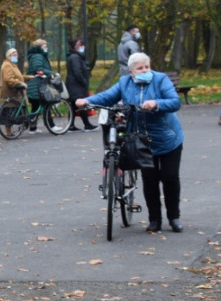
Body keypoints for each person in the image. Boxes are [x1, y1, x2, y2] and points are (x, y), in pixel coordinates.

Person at [76, 51, 184, 234]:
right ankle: (154, 220)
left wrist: (156, 104)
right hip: (141, 140)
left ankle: (174, 217)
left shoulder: (160, 80)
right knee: (150, 180)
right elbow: (107, 97)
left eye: (146, 67)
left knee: (169, 177)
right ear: (131, 71)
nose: (144, 70)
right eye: (140, 68)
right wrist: (86, 100)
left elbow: (174, 102)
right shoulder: (125, 83)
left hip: (167, 138)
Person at [65, 39, 95, 131]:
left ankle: (71, 125)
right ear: (75, 46)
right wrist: (83, 82)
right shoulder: (75, 57)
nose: (83, 47)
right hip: (76, 85)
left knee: (74, 106)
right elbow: (77, 72)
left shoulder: (73, 56)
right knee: (81, 105)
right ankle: (87, 125)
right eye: (80, 45)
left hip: (73, 85)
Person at [24, 38, 53, 132]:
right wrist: (51, 73)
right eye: (44, 46)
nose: (46, 48)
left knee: (35, 106)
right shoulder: (38, 56)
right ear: (39, 47)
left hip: (34, 84)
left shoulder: (37, 56)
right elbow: (39, 69)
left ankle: (32, 128)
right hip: (36, 85)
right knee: (46, 104)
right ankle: (51, 126)